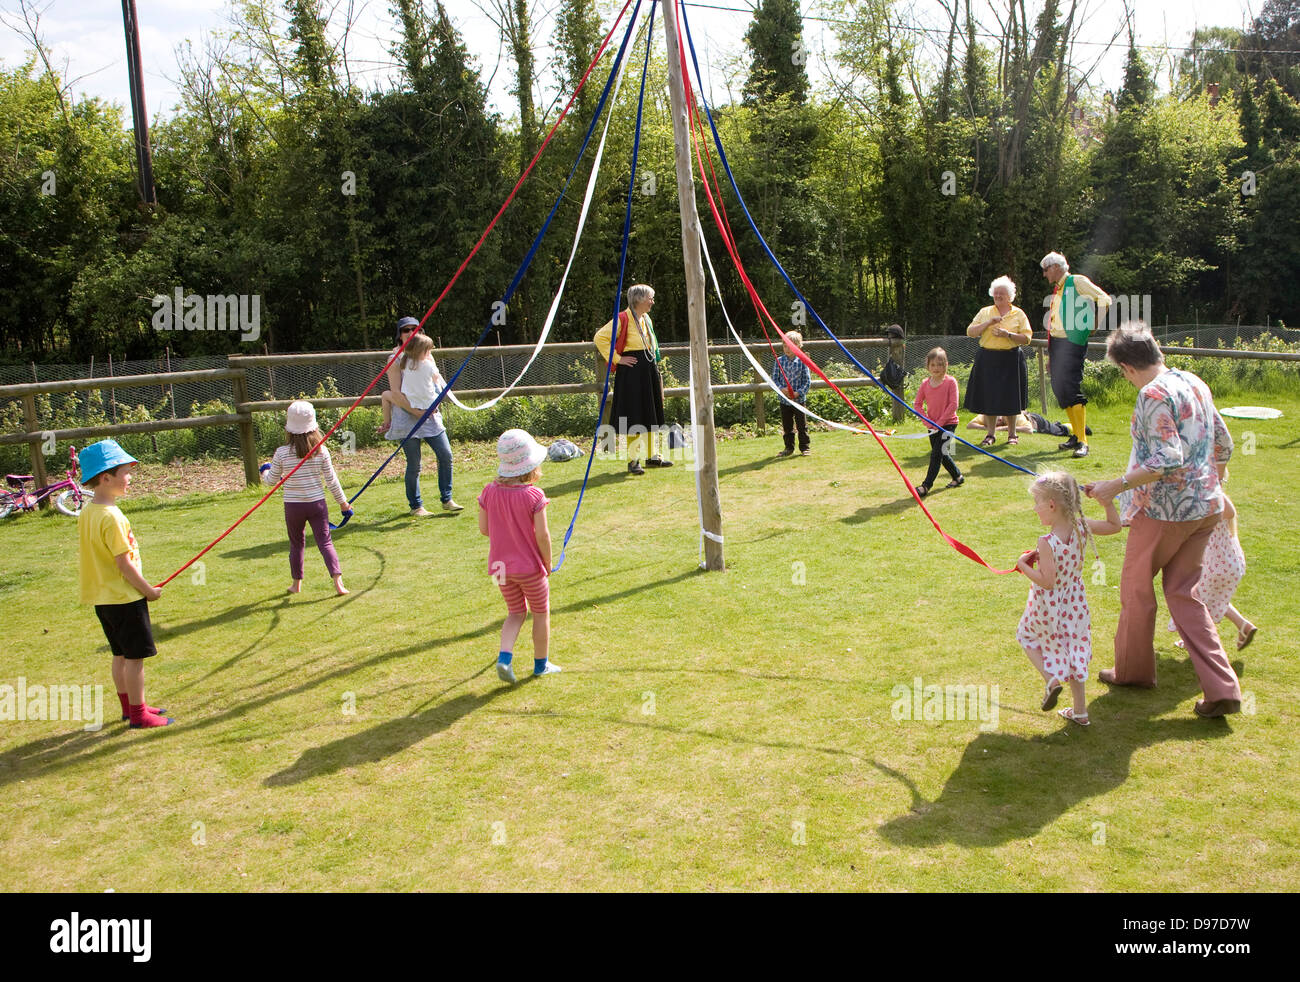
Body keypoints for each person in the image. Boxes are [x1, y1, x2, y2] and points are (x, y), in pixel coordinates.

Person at [1084, 322, 1242, 718]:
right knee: (1183, 593)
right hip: (1207, 507)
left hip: (1163, 513)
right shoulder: (1193, 381)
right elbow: (1224, 442)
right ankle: (1223, 688)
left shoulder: (1152, 394)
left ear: (1127, 367)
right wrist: (1212, 477)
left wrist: (1114, 486)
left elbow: (1167, 458)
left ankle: (1132, 672)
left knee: (1136, 590)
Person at [77, 439, 173, 728]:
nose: (129, 478)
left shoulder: (88, 512)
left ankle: (129, 708)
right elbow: (123, 563)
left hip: (103, 599)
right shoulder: (112, 517)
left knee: (119, 655)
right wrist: (148, 591)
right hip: (125, 599)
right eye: (125, 473)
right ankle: (139, 714)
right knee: (135, 660)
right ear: (106, 478)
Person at [1015, 471, 1122, 726]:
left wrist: (1023, 566)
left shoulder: (1046, 542)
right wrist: (1107, 502)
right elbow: (1115, 526)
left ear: (1051, 505)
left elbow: (1047, 581)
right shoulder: (1081, 526)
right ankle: (1080, 712)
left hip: (1047, 605)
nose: (1034, 509)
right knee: (1075, 650)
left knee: (1026, 635)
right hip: (1075, 602)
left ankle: (1051, 680)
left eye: (1037, 503)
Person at [479, 429, 559, 683]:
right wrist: (546, 563)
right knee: (540, 613)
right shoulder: (534, 495)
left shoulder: (489, 491)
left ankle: (504, 658)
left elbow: (484, 529)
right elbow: (543, 536)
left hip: (500, 569)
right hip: (529, 568)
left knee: (515, 612)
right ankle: (541, 665)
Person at [262, 400, 351, 596]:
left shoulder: (282, 453)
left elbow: (271, 482)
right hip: (316, 505)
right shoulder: (321, 451)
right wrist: (343, 504)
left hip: (293, 507)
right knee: (325, 542)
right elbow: (332, 481)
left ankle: (296, 584)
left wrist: (264, 472)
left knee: (296, 544)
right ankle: (338, 583)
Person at [384, 316, 462, 515]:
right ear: (399, 335)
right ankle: (416, 506)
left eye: (415, 329)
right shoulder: (395, 358)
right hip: (407, 415)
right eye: (405, 330)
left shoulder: (427, 355)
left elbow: (434, 383)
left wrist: (433, 406)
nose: (410, 333)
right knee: (414, 463)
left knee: (445, 455)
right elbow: (394, 393)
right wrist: (416, 412)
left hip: (429, 414)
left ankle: (447, 499)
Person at [1167, 480, 1257, 652]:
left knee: (1192, 599)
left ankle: (1200, 644)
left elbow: (1229, 511)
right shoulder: (1205, 500)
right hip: (1230, 564)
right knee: (1211, 599)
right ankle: (1243, 625)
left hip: (1215, 566)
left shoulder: (1209, 497)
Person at [593, 284, 671, 476]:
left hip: (647, 370)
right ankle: (633, 460)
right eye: (650, 298)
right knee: (634, 415)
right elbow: (600, 338)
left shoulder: (646, 318)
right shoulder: (622, 318)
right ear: (639, 299)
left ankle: (653, 456)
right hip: (632, 373)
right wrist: (618, 359)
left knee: (651, 413)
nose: (652, 301)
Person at [1040, 252, 1110, 458]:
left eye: (1045, 270)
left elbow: (1104, 299)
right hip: (1058, 344)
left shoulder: (1076, 281)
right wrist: (1052, 357)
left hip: (1072, 343)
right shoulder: (1058, 289)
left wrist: (1095, 324)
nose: (1044, 275)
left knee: (1071, 388)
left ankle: (1083, 441)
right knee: (1060, 389)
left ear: (1055, 267)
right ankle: (1076, 435)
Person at [964, 275, 1032, 446]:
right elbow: (970, 332)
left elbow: (1026, 338)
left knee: (1012, 398)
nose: (998, 296)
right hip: (988, 358)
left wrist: (1007, 335)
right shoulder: (985, 312)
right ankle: (990, 434)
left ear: (1009, 296)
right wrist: (987, 323)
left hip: (1011, 358)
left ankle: (1012, 435)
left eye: (1002, 293)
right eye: (995, 293)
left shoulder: (1019, 314)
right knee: (989, 397)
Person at [911, 347, 963, 498]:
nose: (936, 368)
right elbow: (917, 404)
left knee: (936, 455)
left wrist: (939, 422)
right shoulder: (925, 383)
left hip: (948, 424)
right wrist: (927, 421)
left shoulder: (951, 382)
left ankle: (926, 486)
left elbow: (953, 404)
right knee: (943, 454)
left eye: (940, 364)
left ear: (946, 365)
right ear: (927, 366)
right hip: (932, 426)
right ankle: (958, 477)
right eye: (933, 365)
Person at [772, 330, 812, 457]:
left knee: (802, 425)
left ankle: (805, 447)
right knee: (787, 426)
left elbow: (807, 381)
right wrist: (781, 389)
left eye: (790, 346)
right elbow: (775, 379)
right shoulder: (779, 361)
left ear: (798, 346)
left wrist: (797, 393)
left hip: (799, 400)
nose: (787, 349)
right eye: (784, 346)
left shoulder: (802, 361)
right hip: (784, 401)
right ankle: (788, 448)